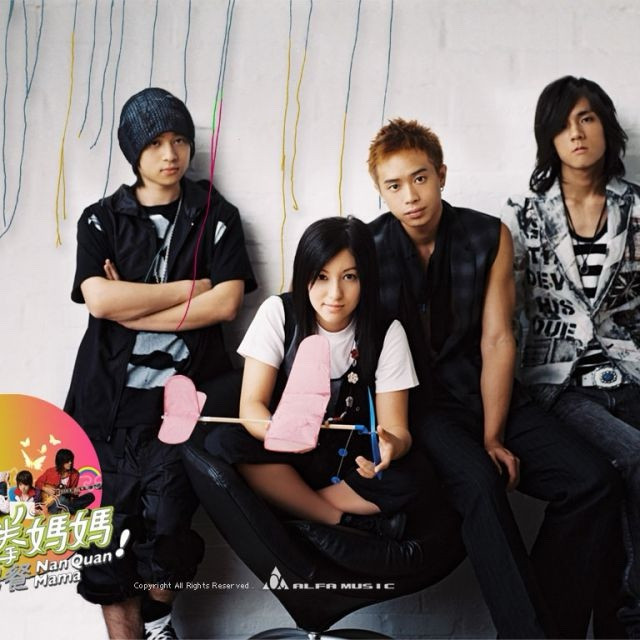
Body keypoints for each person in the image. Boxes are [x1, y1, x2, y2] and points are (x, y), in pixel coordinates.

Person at [366, 117, 624, 638]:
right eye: (393, 186)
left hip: (486, 391)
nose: (410, 196)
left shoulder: (488, 235)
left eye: (420, 178)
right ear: (381, 192)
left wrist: (493, 435)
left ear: (441, 174)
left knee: (593, 482)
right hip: (420, 407)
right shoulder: (367, 248)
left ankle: (549, 629)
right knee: (481, 484)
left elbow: (498, 340)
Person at [64, 87, 256, 640]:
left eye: (179, 140)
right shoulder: (101, 219)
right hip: (105, 410)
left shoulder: (216, 215)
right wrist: (191, 288)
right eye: (154, 143)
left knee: (169, 534)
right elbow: (99, 300)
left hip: (183, 410)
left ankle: (160, 621)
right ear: (134, 152)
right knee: (104, 548)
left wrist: (134, 305)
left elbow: (226, 303)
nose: (170, 154)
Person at [502, 75, 640, 638]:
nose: (577, 133)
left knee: (615, 495)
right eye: (562, 125)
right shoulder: (525, 216)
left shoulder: (637, 207)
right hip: (561, 383)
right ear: (548, 139)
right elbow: (507, 316)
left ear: (606, 127)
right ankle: (631, 620)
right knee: (634, 459)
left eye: (586, 118)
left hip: (631, 373)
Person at [205, 216, 427, 538]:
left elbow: (397, 429)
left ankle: (292, 506)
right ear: (304, 274)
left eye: (349, 276)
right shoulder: (279, 313)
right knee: (225, 441)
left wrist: (391, 447)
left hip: (349, 458)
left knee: (417, 474)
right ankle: (339, 519)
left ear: (366, 278)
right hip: (286, 453)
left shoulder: (386, 331)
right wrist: (282, 433)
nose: (335, 293)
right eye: (321, 276)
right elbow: (251, 406)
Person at [35, 448, 95, 514]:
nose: (70, 463)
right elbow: (37, 483)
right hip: (51, 503)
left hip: (67, 502)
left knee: (90, 496)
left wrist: (74, 493)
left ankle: (70, 510)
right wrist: (46, 489)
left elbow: (72, 494)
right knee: (62, 499)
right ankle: (77, 511)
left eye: (71, 460)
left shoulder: (75, 474)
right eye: (67, 461)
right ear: (61, 461)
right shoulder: (50, 471)